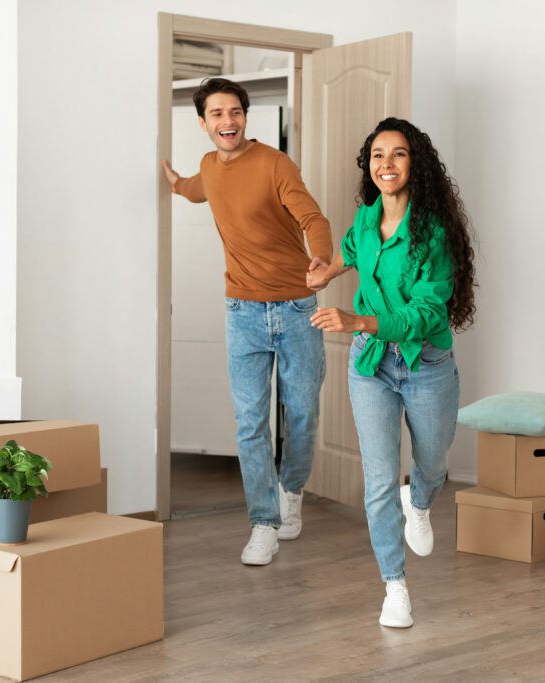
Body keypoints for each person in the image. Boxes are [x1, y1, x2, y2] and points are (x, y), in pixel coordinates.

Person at [306, 117, 476, 628]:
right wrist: (328, 269)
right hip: (371, 366)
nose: (386, 164)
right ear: (369, 166)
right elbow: (354, 252)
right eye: (378, 155)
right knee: (378, 481)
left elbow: (428, 314)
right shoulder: (364, 218)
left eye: (398, 154)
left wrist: (358, 319)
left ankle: (420, 501)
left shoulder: (433, 234)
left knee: (433, 457)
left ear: (414, 163)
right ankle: (395, 587)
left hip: (425, 364)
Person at [162, 78, 332, 566]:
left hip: (298, 307)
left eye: (234, 112)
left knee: (301, 414)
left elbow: (312, 218)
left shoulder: (275, 163)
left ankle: (291, 491)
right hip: (242, 313)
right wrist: (174, 184)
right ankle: (263, 522)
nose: (227, 121)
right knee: (251, 422)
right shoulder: (208, 167)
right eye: (217, 114)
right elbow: (199, 190)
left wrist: (320, 258)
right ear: (203, 123)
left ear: (245, 117)